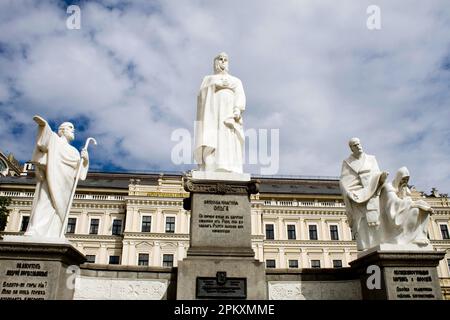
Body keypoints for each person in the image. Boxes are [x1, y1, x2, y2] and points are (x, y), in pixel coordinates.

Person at [25, 115, 89, 238]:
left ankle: (56, 232)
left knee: (60, 209)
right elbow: (45, 139)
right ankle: (36, 229)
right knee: (45, 201)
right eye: (70, 128)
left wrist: (85, 160)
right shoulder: (55, 141)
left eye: (73, 128)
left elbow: (79, 174)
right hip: (52, 176)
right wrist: (43, 125)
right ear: (62, 130)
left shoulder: (74, 151)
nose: (72, 130)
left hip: (66, 182)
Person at [193, 52, 246, 174]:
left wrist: (237, 109)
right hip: (212, 112)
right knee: (213, 136)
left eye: (225, 59)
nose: (223, 61)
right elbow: (201, 95)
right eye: (220, 59)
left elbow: (240, 95)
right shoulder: (208, 79)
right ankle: (211, 166)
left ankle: (229, 166)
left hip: (228, 113)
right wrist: (214, 85)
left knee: (227, 135)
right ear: (216, 62)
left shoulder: (236, 80)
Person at [339, 138, 388, 250]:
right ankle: (365, 247)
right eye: (355, 145)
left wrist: (381, 177)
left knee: (376, 219)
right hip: (357, 196)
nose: (358, 146)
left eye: (359, 144)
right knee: (361, 222)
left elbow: (376, 174)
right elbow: (344, 181)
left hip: (373, 193)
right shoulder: (347, 162)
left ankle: (377, 244)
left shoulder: (371, 159)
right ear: (351, 148)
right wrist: (350, 193)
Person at [380, 167, 433, 246]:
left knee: (422, 210)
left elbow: (408, 200)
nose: (405, 182)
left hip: (403, 210)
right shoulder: (388, 187)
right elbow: (393, 203)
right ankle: (403, 238)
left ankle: (419, 236)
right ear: (398, 177)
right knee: (416, 210)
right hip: (391, 216)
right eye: (403, 179)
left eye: (407, 180)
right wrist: (413, 204)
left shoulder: (404, 188)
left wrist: (417, 203)